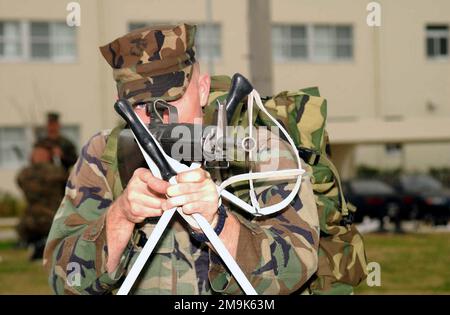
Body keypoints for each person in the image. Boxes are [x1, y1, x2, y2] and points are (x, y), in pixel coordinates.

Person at [44, 23, 320, 294]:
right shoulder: (102, 156)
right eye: (140, 105)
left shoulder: (257, 150)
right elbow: (65, 280)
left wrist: (217, 223)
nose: (158, 117)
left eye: (171, 100)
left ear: (202, 88)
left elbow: (297, 269)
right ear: (121, 103)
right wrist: (121, 217)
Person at [16, 142, 67, 260]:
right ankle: (39, 247)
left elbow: (19, 181)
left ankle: (38, 247)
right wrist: (57, 159)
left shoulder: (26, 173)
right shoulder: (55, 170)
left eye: (41, 154)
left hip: (39, 218)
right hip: (45, 218)